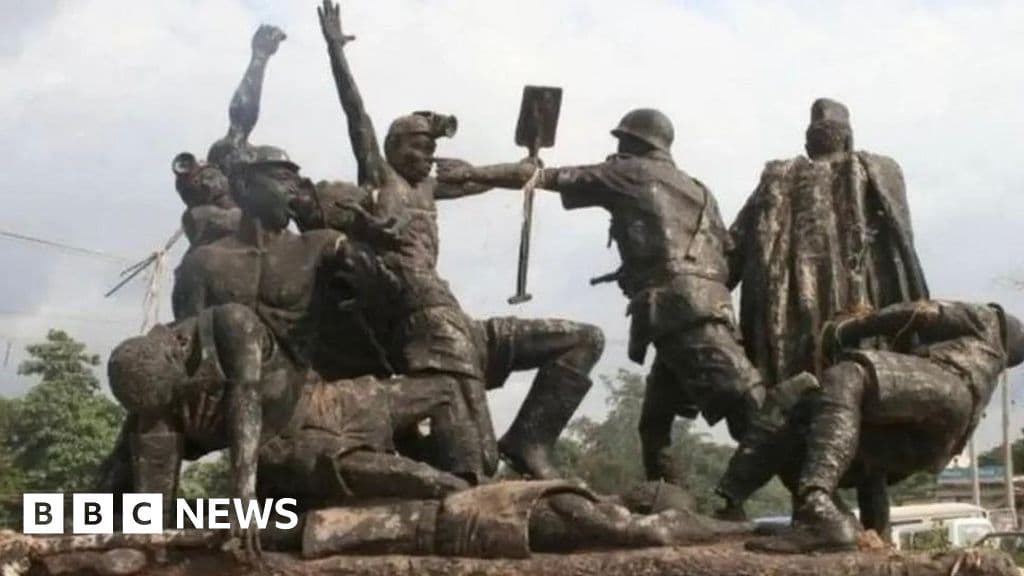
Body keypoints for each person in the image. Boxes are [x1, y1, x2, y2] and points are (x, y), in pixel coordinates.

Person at [317, 0, 604, 479]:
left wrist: (524, 170)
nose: (426, 157)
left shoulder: (430, 188)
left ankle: (531, 439)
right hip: (422, 325)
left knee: (584, 340)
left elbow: (506, 177)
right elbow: (356, 114)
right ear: (391, 148)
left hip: (458, 324)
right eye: (417, 146)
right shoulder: (380, 177)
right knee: (476, 465)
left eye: (431, 150)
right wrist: (336, 52)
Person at [437, 107, 762, 484]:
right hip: (702, 307)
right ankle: (669, 498)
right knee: (654, 423)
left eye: (621, 141)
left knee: (749, 405)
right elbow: (718, 253)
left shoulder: (629, 172)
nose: (617, 149)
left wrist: (473, 172)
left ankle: (769, 494)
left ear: (634, 143)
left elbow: (541, 177)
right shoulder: (699, 191)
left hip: (681, 312)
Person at [715, 300, 1024, 553]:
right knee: (798, 407)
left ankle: (817, 503)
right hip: (935, 442)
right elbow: (867, 465)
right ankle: (731, 503)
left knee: (847, 376)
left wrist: (849, 329)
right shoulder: (987, 369)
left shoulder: (988, 319)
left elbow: (921, 312)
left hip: (949, 385)